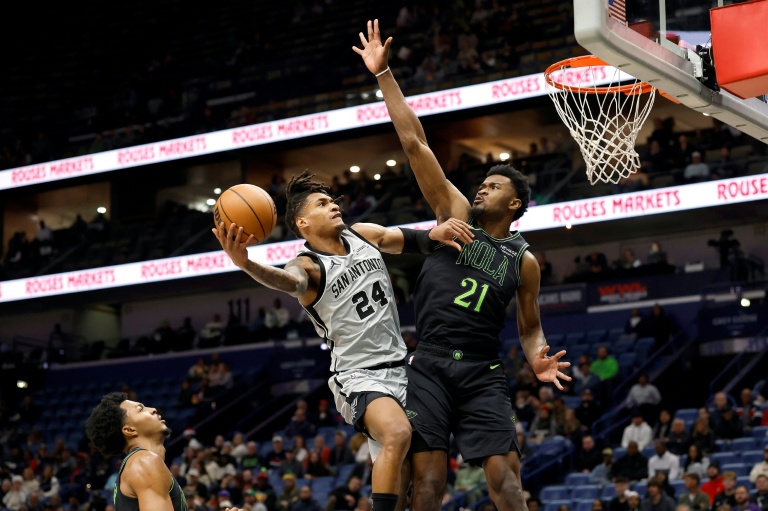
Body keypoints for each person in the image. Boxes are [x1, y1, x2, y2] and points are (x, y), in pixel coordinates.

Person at [353, 19, 570, 511]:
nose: (482, 188)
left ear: (516, 205)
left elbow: (530, 326)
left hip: (482, 371)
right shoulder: (453, 219)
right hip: (428, 365)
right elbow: (415, 143)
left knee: (507, 482)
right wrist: (384, 73)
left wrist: (537, 356)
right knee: (427, 486)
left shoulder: (524, 261)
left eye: (495, 186)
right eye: (483, 183)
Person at [214, 171, 470, 511]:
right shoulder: (307, 266)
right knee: (397, 434)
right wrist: (246, 263)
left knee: (412, 479)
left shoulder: (362, 234)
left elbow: (402, 239)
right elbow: (287, 282)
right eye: (322, 203)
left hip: (403, 370)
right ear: (302, 221)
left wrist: (434, 234)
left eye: (332, 200)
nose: (333, 205)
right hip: (358, 376)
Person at [84, 392, 230, 511]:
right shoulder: (144, 462)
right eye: (141, 409)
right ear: (129, 430)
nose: (152, 409)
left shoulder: (135, 465)